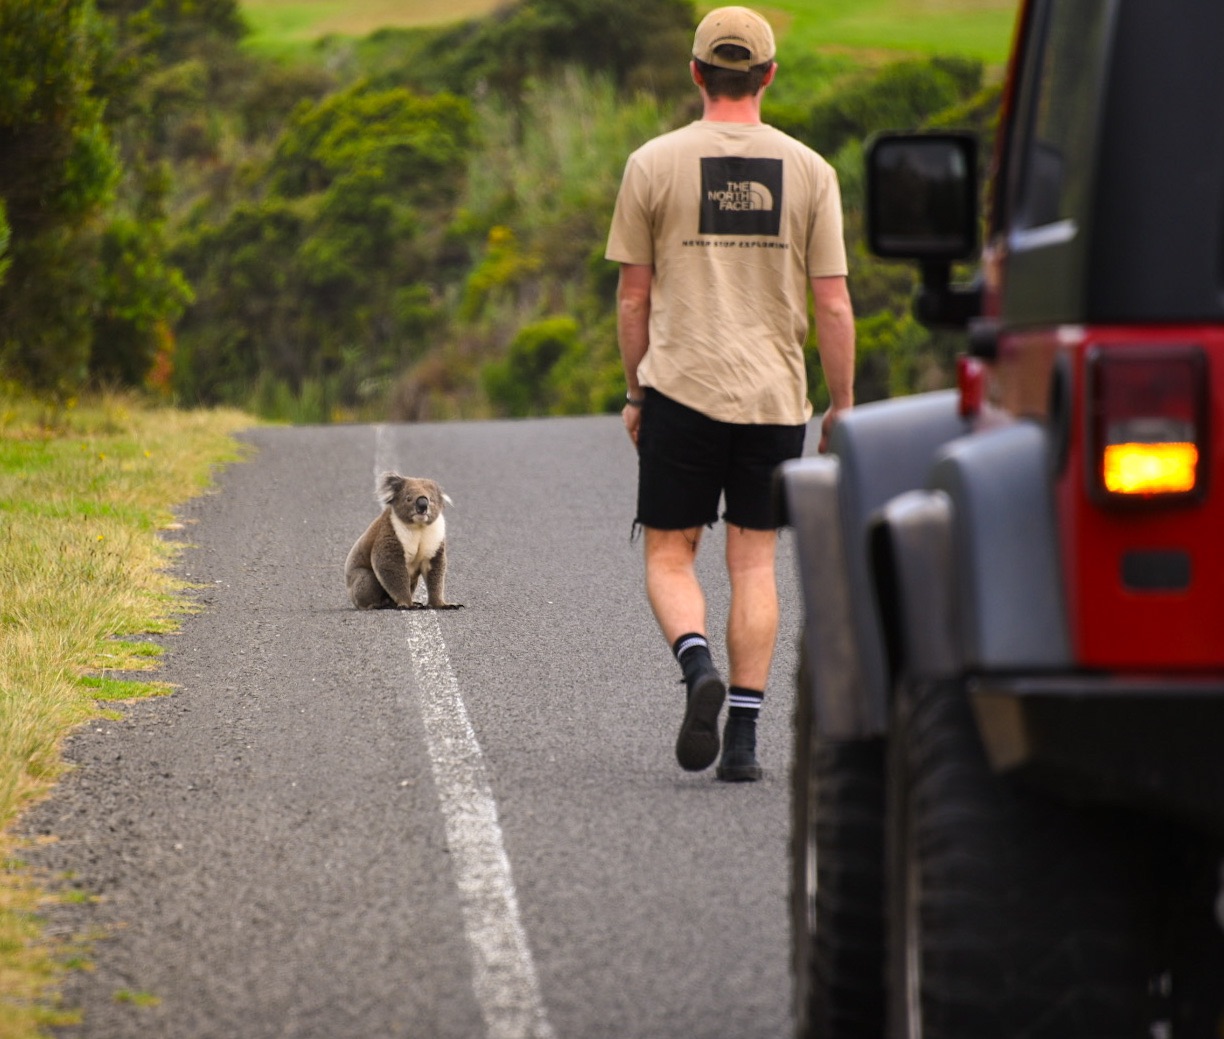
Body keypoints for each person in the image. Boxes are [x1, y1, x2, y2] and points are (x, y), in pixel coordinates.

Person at [605, 5, 855, 781]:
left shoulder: (653, 162)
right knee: (754, 567)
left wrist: (636, 392)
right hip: (775, 399)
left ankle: (697, 666)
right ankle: (743, 741)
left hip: (682, 387)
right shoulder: (812, 171)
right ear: (768, 76)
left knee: (671, 554)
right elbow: (835, 303)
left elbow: (632, 300)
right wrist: (841, 403)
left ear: (696, 73)